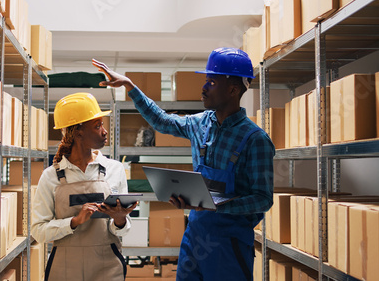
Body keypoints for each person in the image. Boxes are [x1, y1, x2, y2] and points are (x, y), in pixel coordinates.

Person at [93, 47, 275, 281]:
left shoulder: (255, 140)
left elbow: (263, 199)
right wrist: (130, 86)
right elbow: (161, 121)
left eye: (211, 82)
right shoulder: (200, 123)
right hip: (195, 234)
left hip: (230, 243)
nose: (204, 87)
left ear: (232, 89)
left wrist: (218, 206)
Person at [31, 92, 137, 281]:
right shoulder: (51, 177)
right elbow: (38, 231)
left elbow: (122, 230)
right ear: (77, 132)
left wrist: (120, 220)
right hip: (64, 269)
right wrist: (74, 221)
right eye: (98, 126)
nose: (105, 131)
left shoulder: (115, 169)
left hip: (107, 267)